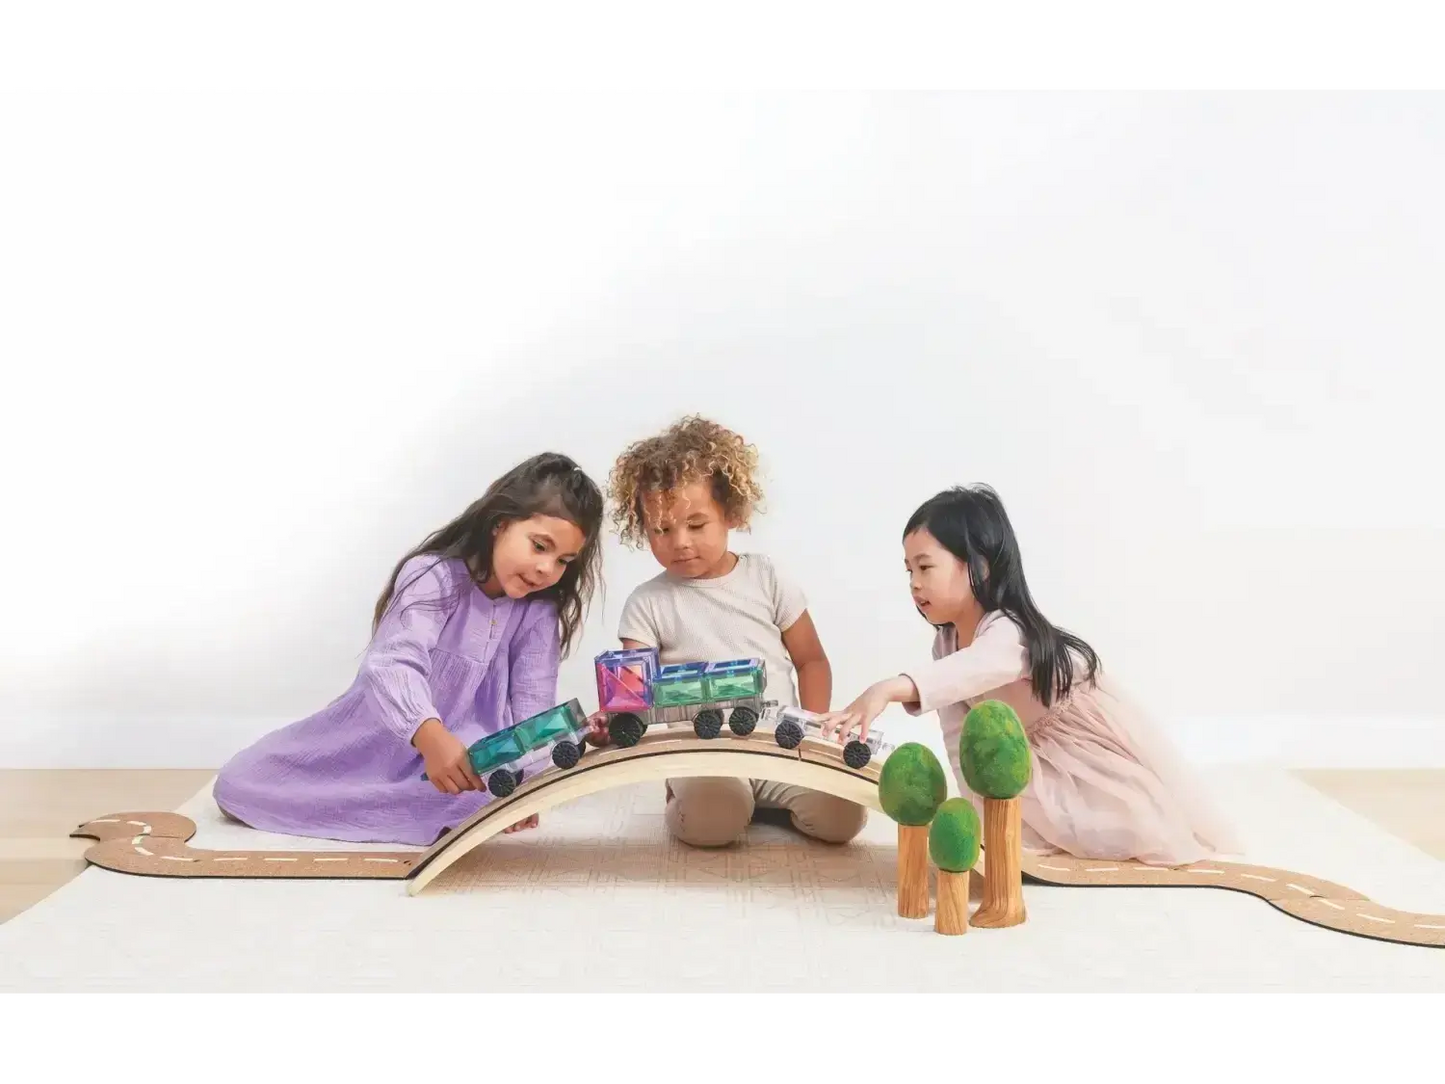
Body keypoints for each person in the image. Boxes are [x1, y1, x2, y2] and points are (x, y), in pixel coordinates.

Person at [818, 484, 1242, 867]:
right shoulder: (945, 646)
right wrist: (978, 823)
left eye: (925, 568)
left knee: (1126, 829)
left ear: (979, 566)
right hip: (1026, 752)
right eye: (909, 570)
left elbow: (979, 668)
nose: (914, 583)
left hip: (1077, 742)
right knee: (1029, 835)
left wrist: (890, 687)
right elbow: (957, 738)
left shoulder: (1007, 629)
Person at [212, 452, 606, 847]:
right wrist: (429, 735)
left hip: (464, 752)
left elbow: (532, 701)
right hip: (376, 736)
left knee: (477, 789)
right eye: (539, 546)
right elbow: (392, 663)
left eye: (563, 561)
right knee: (237, 783)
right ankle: (379, 806)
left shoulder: (537, 611)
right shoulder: (433, 576)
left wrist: (527, 781)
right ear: (499, 524)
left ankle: (425, 806)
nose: (546, 569)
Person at [584, 415, 868, 848]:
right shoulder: (648, 603)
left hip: (777, 742)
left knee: (843, 817)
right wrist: (614, 718)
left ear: (731, 513)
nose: (678, 541)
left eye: (696, 524)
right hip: (703, 753)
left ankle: (762, 802)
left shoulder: (767, 578)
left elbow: (811, 660)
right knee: (714, 820)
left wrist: (811, 730)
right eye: (661, 529)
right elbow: (631, 691)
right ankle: (694, 797)